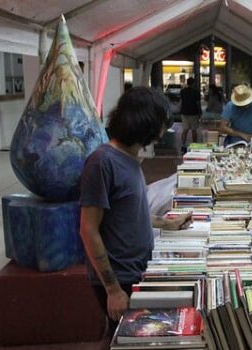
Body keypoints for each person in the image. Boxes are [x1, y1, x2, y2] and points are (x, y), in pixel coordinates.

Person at [79, 87, 193, 329]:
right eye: (161, 125)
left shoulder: (130, 159)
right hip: (119, 278)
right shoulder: (102, 162)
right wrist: (112, 290)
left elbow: (130, 213)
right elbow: (88, 229)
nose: (162, 133)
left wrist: (168, 223)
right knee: (126, 336)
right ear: (146, 123)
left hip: (136, 271)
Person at [179, 77, 201, 153]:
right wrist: (200, 112)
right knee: (194, 130)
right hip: (193, 112)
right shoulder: (196, 92)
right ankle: (194, 145)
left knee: (185, 130)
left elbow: (181, 101)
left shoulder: (182, 91)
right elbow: (198, 103)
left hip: (184, 112)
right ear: (193, 83)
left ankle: (183, 145)